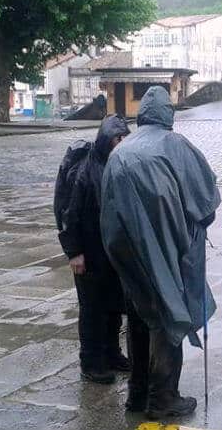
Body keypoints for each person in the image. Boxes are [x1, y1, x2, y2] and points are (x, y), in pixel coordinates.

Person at [100, 86, 220, 419]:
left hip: (124, 250)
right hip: (164, 250)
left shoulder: (120, 152)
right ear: (168, 114)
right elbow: (206, 202)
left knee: (139, 316)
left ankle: (137, 394)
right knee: (168, 314)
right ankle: (163, 397)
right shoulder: (175, 146)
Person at [56, 115, 132, 384]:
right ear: (106, 139)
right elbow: (70, 213)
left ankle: (112, 353)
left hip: (110, 250)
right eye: (117, 138)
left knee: (113, 304)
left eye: (125, 137)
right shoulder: (86, 170)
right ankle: (91, 361)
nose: (121, 142)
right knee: (92, 308)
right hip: (88, 251)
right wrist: (74, 251)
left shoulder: (117, 163)